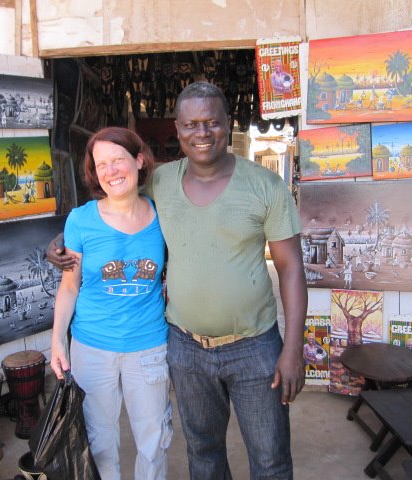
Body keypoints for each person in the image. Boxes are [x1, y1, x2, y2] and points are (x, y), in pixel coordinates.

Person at [48, 82, 307, 479]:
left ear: (229, 123)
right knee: (202, 453)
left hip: (254, 345)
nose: (202, 133)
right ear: (178, 130)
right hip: (187, 348)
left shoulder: (264, 185)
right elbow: (113, 202)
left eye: (212, 122)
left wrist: (293, 349)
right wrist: (59, 244)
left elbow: (290, 269)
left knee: (270, 458)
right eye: (190, 124)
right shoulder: (162, 182)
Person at [50, 127, 171, 480]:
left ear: (139, 160)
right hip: (91, 347)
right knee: (99, 444)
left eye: (118, 159)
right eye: (101, 164)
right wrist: (57, 340)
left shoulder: (163, 215)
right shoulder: (80, 220)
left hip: (149, 347)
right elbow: (69, 286)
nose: (111, 171)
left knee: (154, 443)